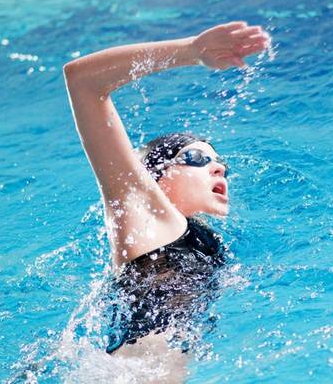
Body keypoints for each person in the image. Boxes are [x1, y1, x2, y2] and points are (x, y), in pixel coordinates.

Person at [63, 21, 271, 381]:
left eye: (221, 163)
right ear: (155, 176)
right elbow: (82, 81)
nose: (218, 168)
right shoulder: (147, 213)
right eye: (197, 159)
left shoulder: (187, 238)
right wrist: (192, 51)